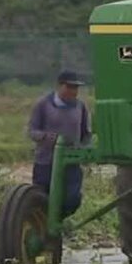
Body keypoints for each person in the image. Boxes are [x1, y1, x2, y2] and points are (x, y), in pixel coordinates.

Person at [27, 70, 92, 218]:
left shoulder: (80, 107)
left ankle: (57, 221)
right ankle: (45, 227)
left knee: (72, 199)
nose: (73, 91)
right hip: (46, 161)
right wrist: (46, 137)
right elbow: (32, 130)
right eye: (69, 87)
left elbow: (86, 134)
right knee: (42, 198)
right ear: (60, 86)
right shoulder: (43, 105)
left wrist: (83, 149)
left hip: (72, 162)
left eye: (76, 88)